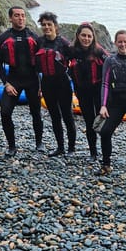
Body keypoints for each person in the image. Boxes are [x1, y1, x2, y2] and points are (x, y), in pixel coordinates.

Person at [0, 6, 42, 157]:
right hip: (14, 81)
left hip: (33, 80)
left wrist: (42, 84)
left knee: (36, 112)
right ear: (10, 18)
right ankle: (11, 146)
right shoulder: (3, 38)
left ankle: (39, 143)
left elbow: (42, 62)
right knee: (5, 112)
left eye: (22, 15)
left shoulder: (34, 36)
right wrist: (6, 83)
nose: (20, 18)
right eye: (16, 15)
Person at [99, 29, 126, 175]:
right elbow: (105, 83)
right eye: (120, 42)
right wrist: (103, 105)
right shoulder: (110, 61)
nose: (123, 44)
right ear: (115, 43)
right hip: (116, 102)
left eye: (125, 41)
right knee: (105, 132)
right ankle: (106, 163)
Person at [34, 12, 75, 157]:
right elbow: (34, 65)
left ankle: (71, 148)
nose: (46, 27)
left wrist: (71, 75)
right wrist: (38, 86)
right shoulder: (39, 42)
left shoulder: (63, 43)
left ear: (55, 26)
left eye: (49, 24)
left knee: (67, 115)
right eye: (43, 25)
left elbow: (74, 61)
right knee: (54, 116)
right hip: (47, 82)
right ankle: (60, 147)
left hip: (62, 82)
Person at [69, 22, 108, 162]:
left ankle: (105, 153)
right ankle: (93, 152)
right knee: (89, 122)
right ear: (78, 36)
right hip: (82, 92)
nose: (86, 38)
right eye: (83, 35)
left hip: (98, 91)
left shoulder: (99, 51)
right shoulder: (72, 50)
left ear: (93, 37)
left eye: (89, 36)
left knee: (101, 122)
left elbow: (111, 66)